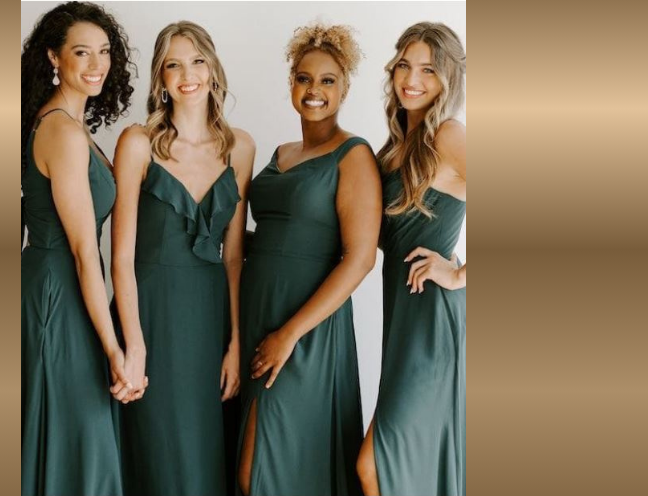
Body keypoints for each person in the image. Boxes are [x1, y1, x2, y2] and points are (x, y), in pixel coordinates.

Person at [110, 21, 255, 496]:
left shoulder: (241, 148)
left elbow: (234, 257)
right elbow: (122, 258)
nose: (186, 74)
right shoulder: (137, 143)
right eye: (173, 64)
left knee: (205, 450)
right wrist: (134, 346)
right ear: (161, 77)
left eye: (196, 61)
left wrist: (235, 342)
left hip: (209, 316)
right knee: (157, 449)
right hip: (150, 312)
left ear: (213, 68)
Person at [237, 23, 382, 496]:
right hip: (258, 312)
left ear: (344, 88)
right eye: (303, 78)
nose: (314, 90)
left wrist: (289, 335)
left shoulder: (353, 155)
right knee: (245, 456)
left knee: (266, 466)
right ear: (291, 84)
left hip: (307, 329)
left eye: (327, 80)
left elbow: (359, 259)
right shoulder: (281, 152)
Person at [20, 2, 138, 495]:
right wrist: (116, 348)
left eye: (105, 52)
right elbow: (85, 252)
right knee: (78, 431)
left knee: (76, 433)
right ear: (53, 57)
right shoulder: (62, 132)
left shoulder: (72, 125)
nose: (96, 64)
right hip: (58, 292)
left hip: (65, 288)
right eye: (82, 53)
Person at [356, 21, 467, 496]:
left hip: (433, 323)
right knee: (403, 462)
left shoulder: (448, 134)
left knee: (375, 465)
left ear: (448, 80)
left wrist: (460, 274)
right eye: (404, 64)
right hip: (402, 319)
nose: (411, 79)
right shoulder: (397, 146)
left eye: (428, 69)